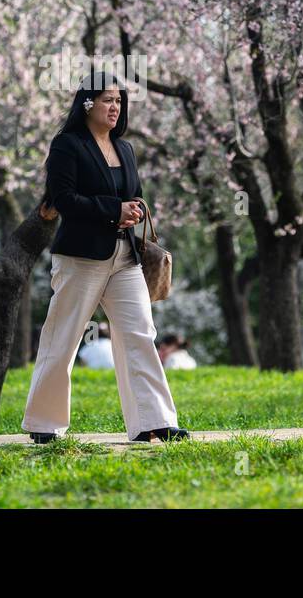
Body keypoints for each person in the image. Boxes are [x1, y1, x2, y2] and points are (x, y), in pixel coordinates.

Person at [22, 73, 188, 444]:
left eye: (119, 101)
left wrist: (134, 212)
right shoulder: (67, 145)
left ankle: (153, 422)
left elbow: (137, 195)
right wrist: (115, 210)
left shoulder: (125, 149)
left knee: (140, 334)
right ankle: (44, 425)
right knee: (63, 338)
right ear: (87, 104)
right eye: (107, 100)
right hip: (81, 257)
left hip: (126, 256)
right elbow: (63, 199)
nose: (115, 107)